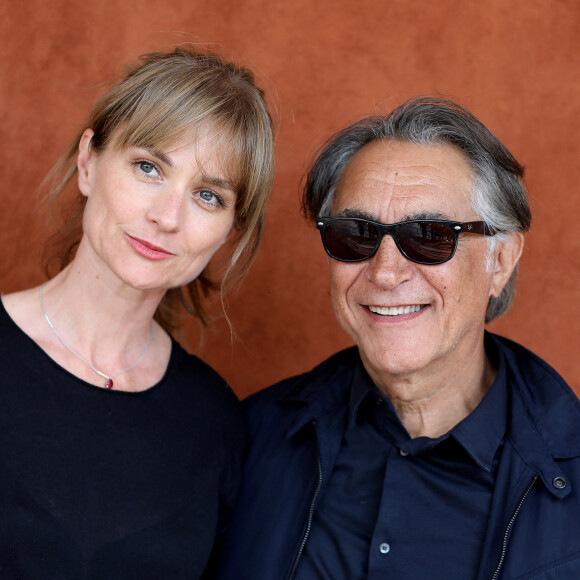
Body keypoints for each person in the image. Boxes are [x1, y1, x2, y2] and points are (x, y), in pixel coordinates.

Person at [216, 97, 580, 579]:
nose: (386, 272)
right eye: (357, 233)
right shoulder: (246, 439)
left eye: (429, 235)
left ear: (501, 260)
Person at [0, 46, 274, 578]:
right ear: (88, 163)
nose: (167, 217)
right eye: (149, 167)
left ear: (229, 230)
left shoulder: (215, 422)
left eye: (208, 196)